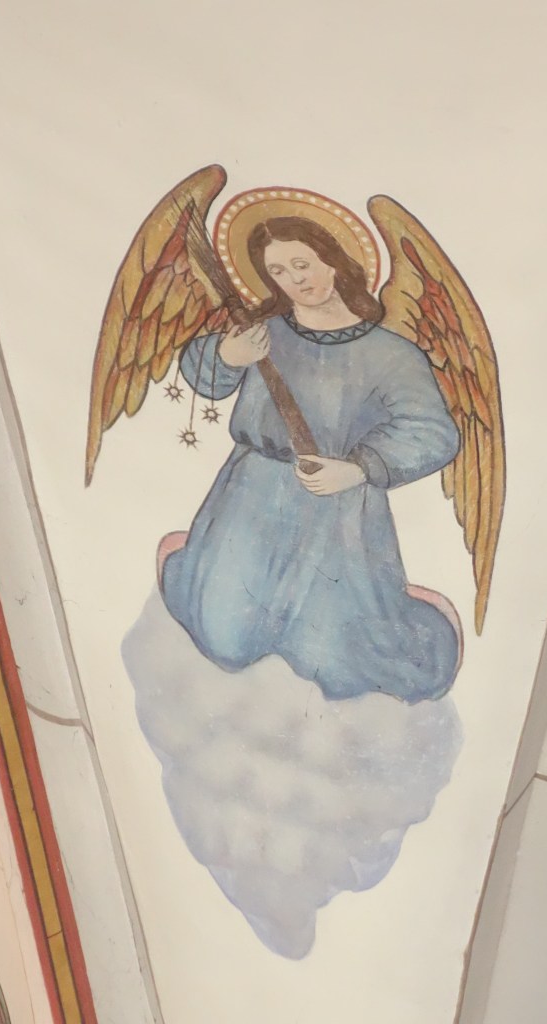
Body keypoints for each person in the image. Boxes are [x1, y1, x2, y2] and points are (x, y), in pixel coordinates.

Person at [160, 215, 461, 702]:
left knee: (335, 664)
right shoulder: (260, 334)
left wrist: (360, 468)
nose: (294, 279)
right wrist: (228, 356)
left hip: (337, 509)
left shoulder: (392, 354)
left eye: (302, 264)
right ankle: (197, 560)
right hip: (249, 497)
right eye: (278, 271)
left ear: (334, 262)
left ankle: (403, 612)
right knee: (224, 641)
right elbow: (204, 376)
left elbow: (432, 431)